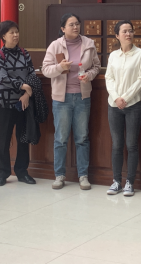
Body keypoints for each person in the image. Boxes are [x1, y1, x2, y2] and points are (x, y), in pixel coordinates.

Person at [42, 13, 100, 190]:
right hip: (62, 99)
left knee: (82, 137)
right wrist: (60, 67)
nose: (76, 27)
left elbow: (96, 66)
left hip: (82, 97)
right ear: (63, 28)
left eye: (77, 24)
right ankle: (59, 175)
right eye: (71, 24)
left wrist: (89, 75)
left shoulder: (89, 44)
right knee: (60, 138)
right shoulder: (55, 45)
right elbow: (45, 69)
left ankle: (83, 176)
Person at [105, 20, 141, 197]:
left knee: (131, 144)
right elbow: (109, 78)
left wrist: (126, 98)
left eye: (130, 31)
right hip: (114, 105)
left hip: (133, 105)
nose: (128, 34)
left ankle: (130, 182)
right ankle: (116, 181)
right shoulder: (113, 55)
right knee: (117, 144)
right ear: (117, 35)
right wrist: (116, 98)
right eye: (124, 31)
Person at [0, 20, 36, 187]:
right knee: (4, 138)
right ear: (3, 36)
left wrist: (26, 94)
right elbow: (3, 78)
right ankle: (2, 173)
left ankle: (22, 171)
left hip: (23, 102)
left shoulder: (24, 53)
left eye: (16, 31)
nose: (15, 35)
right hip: (4, 103)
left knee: (23, 138)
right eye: (11, 32)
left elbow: (32, 74)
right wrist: (23, 86)